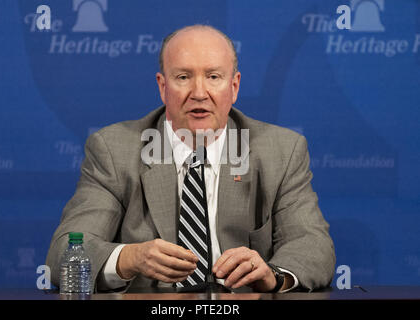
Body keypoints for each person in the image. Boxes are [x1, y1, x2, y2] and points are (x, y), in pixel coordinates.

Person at [46, 24, 335, 293]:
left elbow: (313, 246)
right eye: (183, 77)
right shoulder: (114, 150)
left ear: (234, 87)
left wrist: (273, 275)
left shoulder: (280, 151)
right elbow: (65, 252)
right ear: (162, 86)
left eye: (213, 77)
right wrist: (128, 257)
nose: (199, 93)